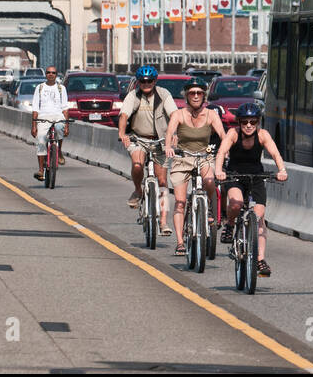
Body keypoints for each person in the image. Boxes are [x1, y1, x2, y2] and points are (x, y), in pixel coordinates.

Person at [214, 101, 287, 277]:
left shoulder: (263, 135)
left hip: (256, 177)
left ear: (258, 122)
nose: (248, 126)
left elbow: (275, 154)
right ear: (239, 122)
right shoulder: (232, 134)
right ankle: (231, 224)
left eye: (253, 122)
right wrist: (218, 171)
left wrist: (282, 170)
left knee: (259, 218)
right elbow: (221, 153)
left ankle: (260, 259)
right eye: (245, 122)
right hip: (235, 176)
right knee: (236, 204)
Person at [163, 78, 225, 257]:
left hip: (204, 157)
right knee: (181, 202)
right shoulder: (179, 114)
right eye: (192, 93)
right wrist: (168, 147)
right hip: (183, 158)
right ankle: (181, 242)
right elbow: (170, 132)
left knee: (210, 181)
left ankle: (210, 209)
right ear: (186, 96)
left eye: (199, 93)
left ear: (204, 96)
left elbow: (222, 134)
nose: (196, 96)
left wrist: (225, 150)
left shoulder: (211, 114)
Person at [118, 65, 175, 235]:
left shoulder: (163, 94)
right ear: (138, 82)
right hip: (138, 138)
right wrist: (122, 134)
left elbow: (174, 115)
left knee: (163, 181)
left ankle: (164, 222)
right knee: (137, 165)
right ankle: (138, 190)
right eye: (142, 81)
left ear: (155, 81)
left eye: (149, 81)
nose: (146, 84)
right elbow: (124, 115)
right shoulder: (133, 95)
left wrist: (174, 135)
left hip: (161, 140)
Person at [30, 66, 70, 182]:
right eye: (48, 72)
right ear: (45, 74)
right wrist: (33, 126)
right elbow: (35, 108)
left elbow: (65, 108)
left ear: (56, 74)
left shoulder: (61, 88)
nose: (51, 74)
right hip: (43, 116)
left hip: (58, 116)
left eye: (53, 73)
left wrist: (66, 125)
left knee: (59, 128)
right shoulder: (40, 88)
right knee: (41, 140)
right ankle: (41, 170)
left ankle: (59, 151)